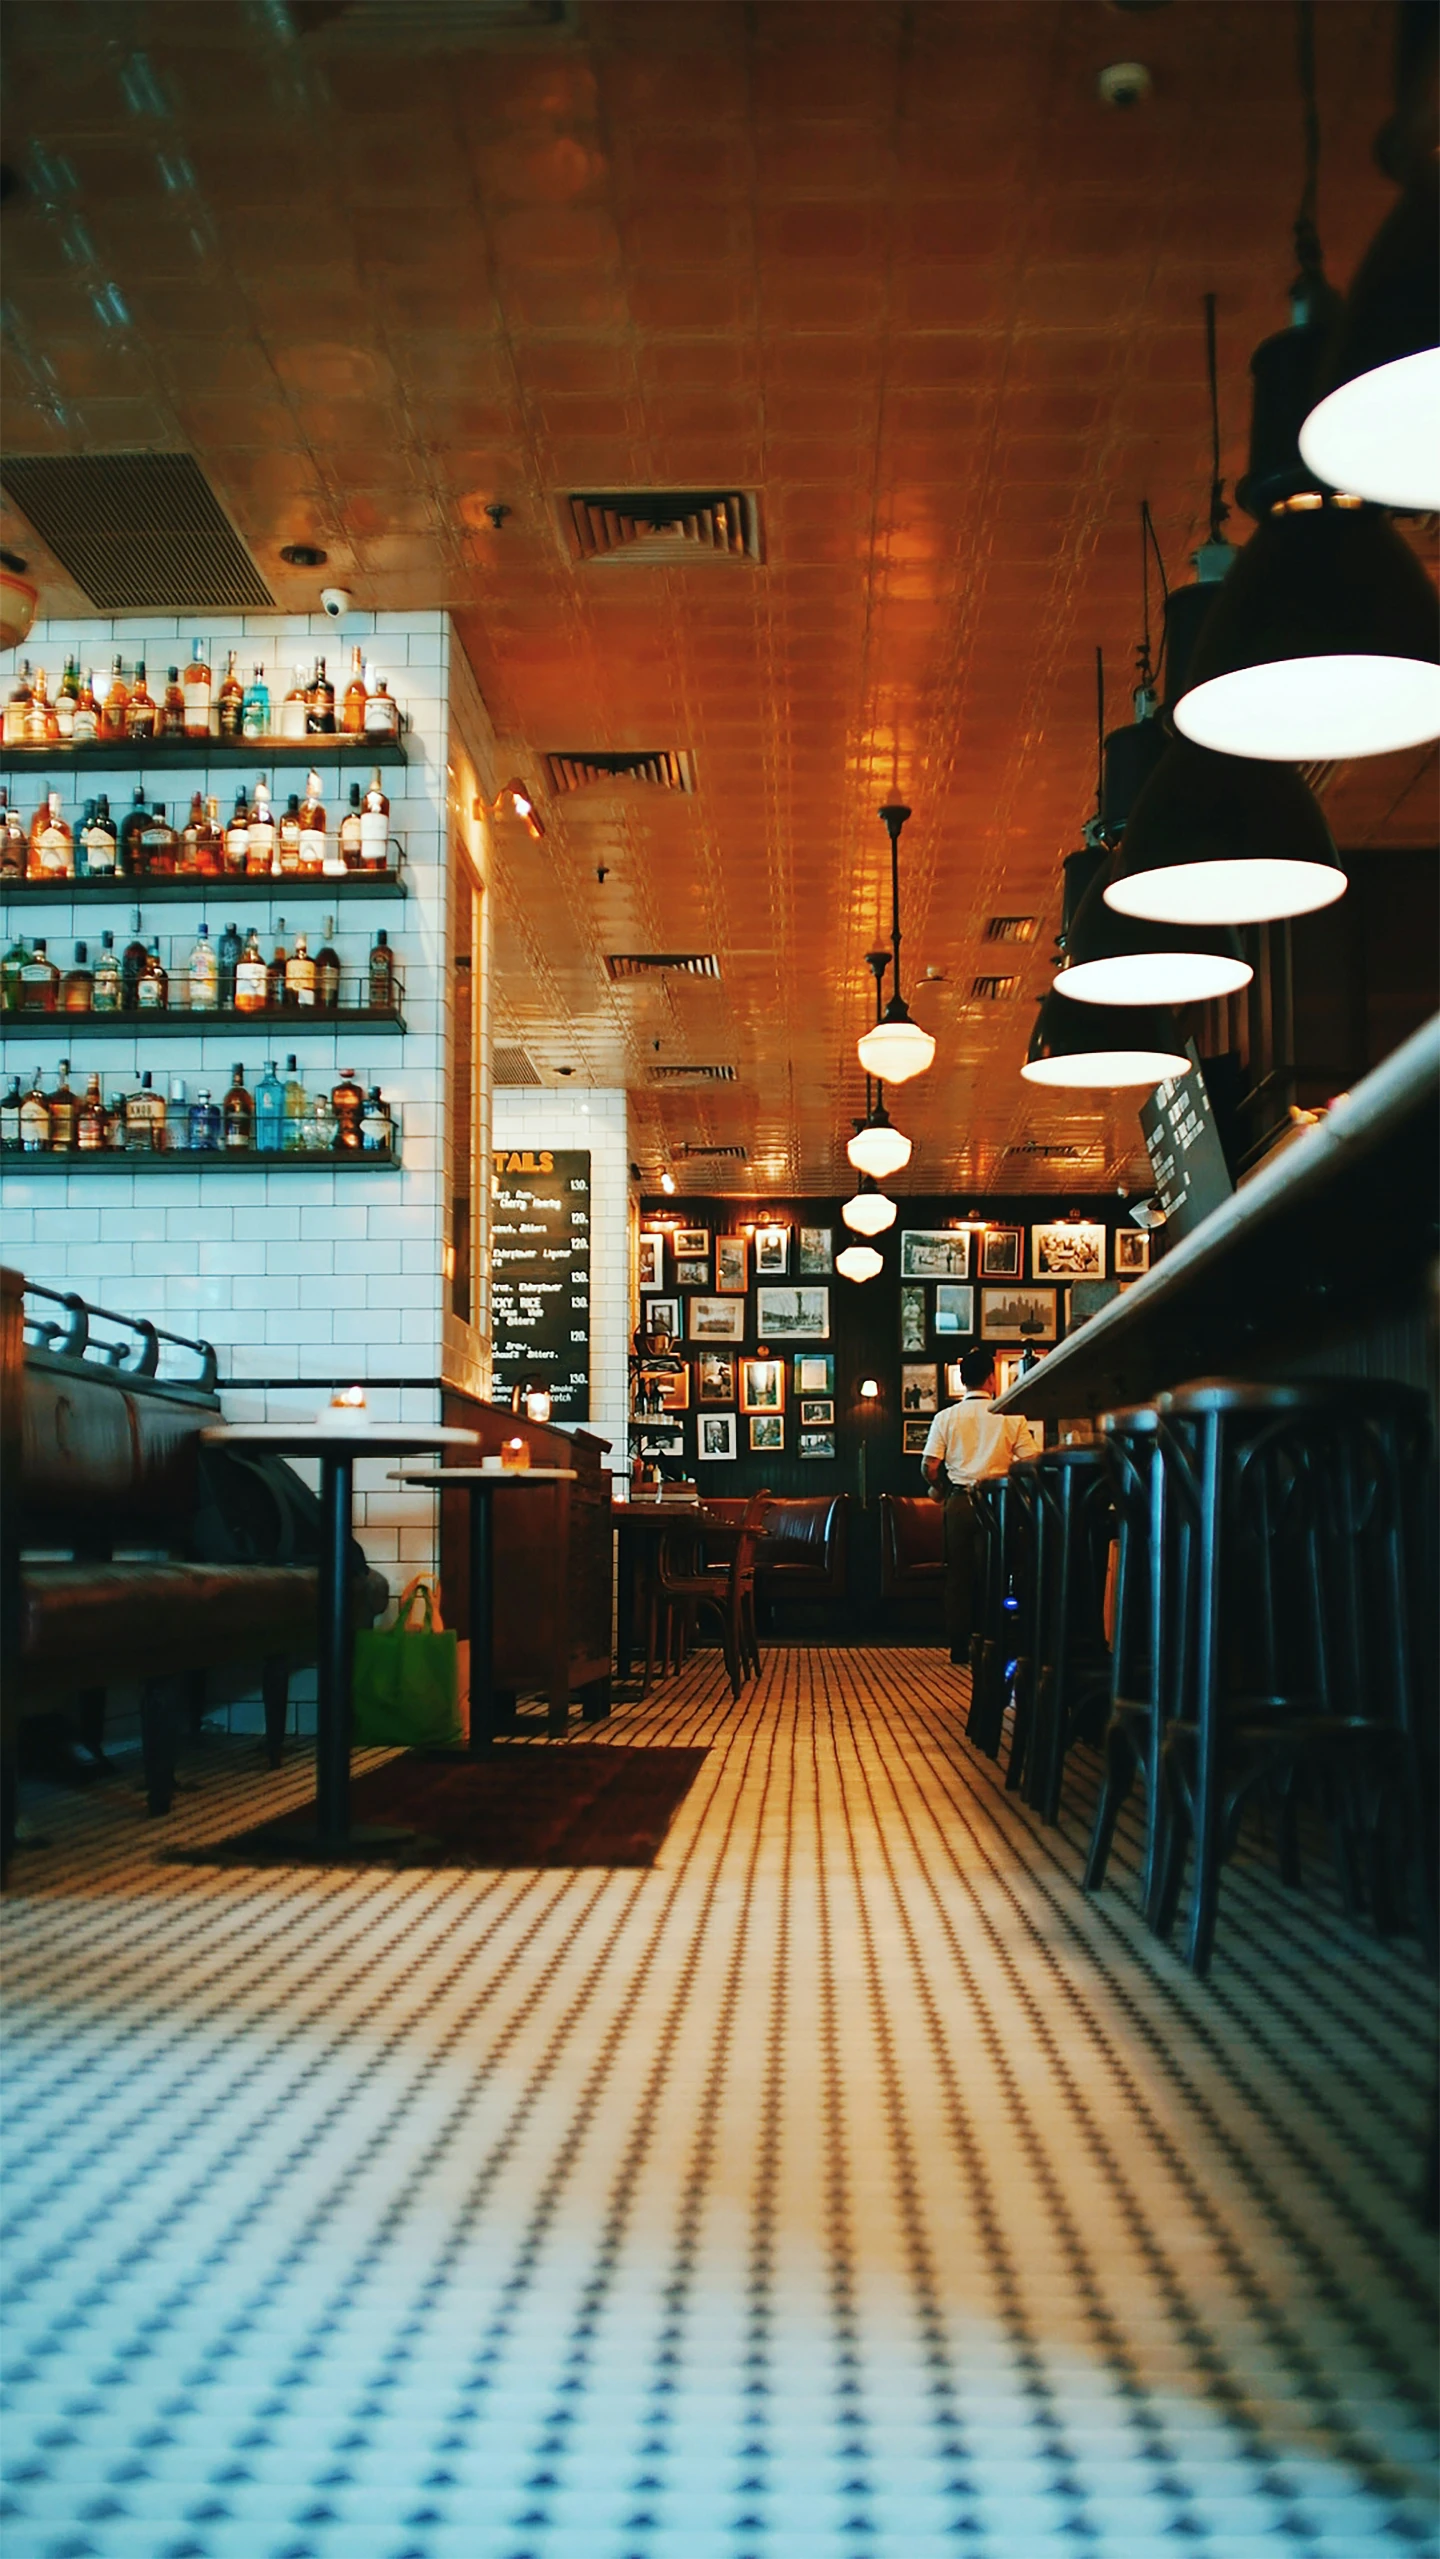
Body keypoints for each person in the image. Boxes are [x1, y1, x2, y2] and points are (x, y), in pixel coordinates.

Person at [921, 1346, 1039, 1665]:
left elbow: (929, 1466)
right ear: (991, 1378)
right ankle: (993, 1640)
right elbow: (1031, 1462)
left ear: (962, 1380)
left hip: (959, 1501)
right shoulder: (1011, 1415)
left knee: (958, 1576)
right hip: (999, 1503)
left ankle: (959, 1646)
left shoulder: (945, 1417)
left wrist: (940, 1489)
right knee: (996, 1572)